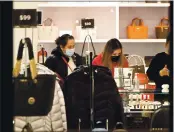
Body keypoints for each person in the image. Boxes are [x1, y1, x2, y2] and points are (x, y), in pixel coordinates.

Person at [146, 33, 172, 101]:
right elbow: (149, 74)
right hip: (160, 95)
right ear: (166, 44)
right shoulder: (158, 57)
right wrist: (160, 73)